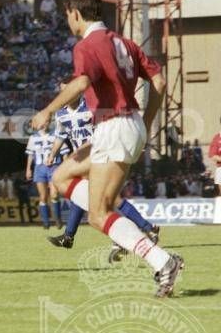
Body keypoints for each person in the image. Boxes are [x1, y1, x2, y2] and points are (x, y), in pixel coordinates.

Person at [31, 0, 182, 297]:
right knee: (61, 176)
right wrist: (148, 120)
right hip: (125, 126)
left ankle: (162, 261)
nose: (68, 22)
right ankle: (120, 226)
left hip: (114, 126)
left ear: (75, 13)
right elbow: (160, 82)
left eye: (68, 16)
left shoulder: (87, 45)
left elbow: (82, 82)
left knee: (98, 215)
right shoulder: (123, 42)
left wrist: (48, 110)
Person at [46, 79, 160, 259]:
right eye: (62, 92)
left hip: (100, 153)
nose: (65, 96)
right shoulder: (61, 115)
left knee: (108, 198)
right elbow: (60, 136)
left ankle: (146, 228)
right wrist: (53, 154)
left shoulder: (91, 107)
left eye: (68, 91)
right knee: (85, 195)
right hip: (82, 159)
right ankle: (70, 236)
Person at [25, 126, 61, 230]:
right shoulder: (33, 137)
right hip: (39, 168)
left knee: (54, 194)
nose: (45, 124)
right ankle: (46, 223)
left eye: (47, 121)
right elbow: (30, 154)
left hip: (53, 167)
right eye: (43, 122)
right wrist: (28, 169)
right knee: (43, 196)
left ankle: (57, 219)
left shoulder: (56, 136)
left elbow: (64, 152)